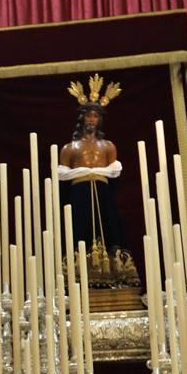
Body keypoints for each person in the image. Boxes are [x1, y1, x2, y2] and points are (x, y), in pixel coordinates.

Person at [58, 73, 137, 287]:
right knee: (79, 230)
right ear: (82, 118)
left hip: (102, 194)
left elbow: (114, 170)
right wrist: (84, 172)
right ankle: (78, 277)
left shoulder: (107, 147)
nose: (92, 119)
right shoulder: (69, 148)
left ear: (100, 119)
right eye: (88, 115)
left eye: (95, 116)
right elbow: (62, 173)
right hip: (79, 194)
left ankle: (115, 275)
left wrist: (94, 173)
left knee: (109, 229)